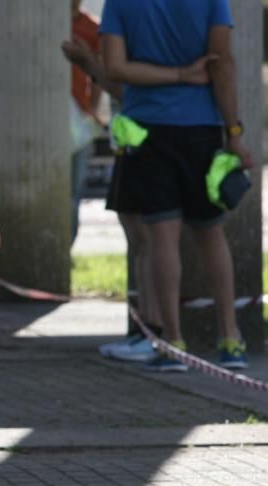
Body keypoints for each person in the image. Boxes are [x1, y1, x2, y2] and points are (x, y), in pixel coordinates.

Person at [101, 0, 253, 371]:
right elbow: (223, 64)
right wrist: (234, 132)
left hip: (146, 130)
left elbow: (115, 68)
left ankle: (172, 343)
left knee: (161, 240)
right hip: (201, 128)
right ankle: (230, 339)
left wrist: (177, 75)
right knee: (211, 234)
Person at [62, 32, 162, 363]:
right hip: (130, 140)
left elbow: (125, 89)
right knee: (139, 241)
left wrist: (89, 64)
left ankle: (154, 332)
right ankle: (146, 331)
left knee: (148, 242)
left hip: (146, 141)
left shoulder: (140, 23)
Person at [68, 1, 103, 245]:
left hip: (78, 115)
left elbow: (98, 72)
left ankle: (67, 243)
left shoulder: (91, 27)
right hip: (53, 108)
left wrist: (92, 107)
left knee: (74, 190)